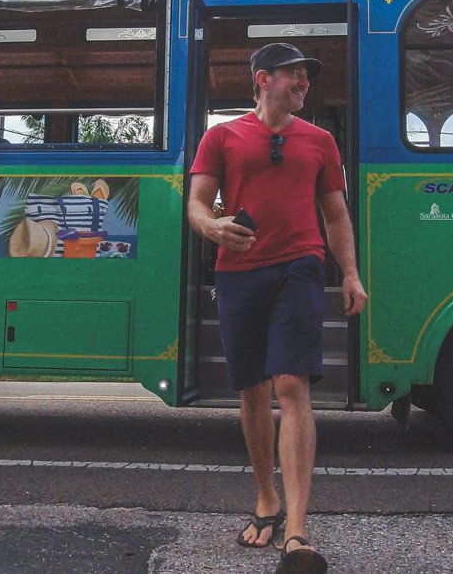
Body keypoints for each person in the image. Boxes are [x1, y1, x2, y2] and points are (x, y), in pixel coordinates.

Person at [187, 42, 367, 574]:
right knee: (251, 389)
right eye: (294, 76)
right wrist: (211, 226)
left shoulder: (320, 141)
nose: (304, 84)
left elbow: (335, 215)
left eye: (307, 78)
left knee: (291, 385)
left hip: (300, 267)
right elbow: (197, 202)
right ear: (263, 80)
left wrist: (351, 273)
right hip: (238, 271)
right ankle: (267, 498)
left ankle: (297, 532)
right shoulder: (222, 135)